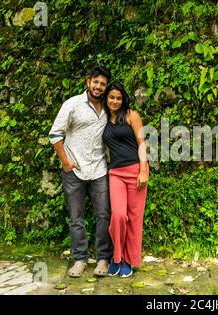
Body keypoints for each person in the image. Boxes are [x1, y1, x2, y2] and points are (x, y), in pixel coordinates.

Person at [48, 65, 113, 277]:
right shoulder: (73, 104)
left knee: (104, 215)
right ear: (88, 82)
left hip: (99, 169)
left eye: (103, 84)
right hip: (74, 169)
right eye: (96, 82)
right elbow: (55, 134)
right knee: (76, 217)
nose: (99, 86)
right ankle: (80, 259)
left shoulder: (108, 107)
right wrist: (65, 162)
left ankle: (103, 258)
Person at [102, 82, 149, 277]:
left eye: (118, 98)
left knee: (135, 219)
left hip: (136, 171)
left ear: (123, 99)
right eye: (111, 97)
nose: (114, 101)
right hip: (116, 174)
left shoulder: (132, 115)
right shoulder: (102, 118)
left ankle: (129, 261)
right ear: (106, 98)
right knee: (119, 215)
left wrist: (144, 170)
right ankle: (117, 257)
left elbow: (142, 143)